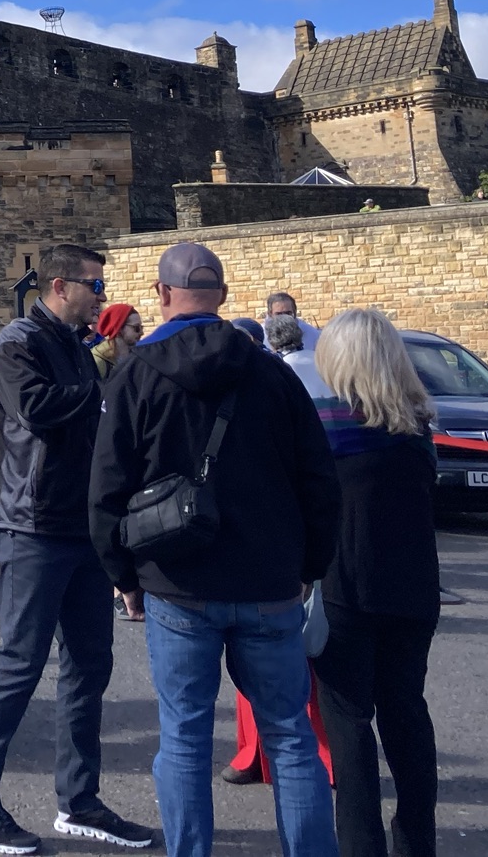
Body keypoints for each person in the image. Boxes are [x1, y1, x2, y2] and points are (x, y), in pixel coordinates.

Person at [88, 240, 338, 857]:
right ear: (222, 296)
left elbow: (106, 488)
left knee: (184, 737)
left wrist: (124, 576)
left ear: (161, 294)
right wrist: (310, 566)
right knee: (290, 738)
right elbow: (318, 478)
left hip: (177, 581)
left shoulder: (135, 375)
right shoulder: (273, 373)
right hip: (268, 580)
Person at [0, 244, 155, 854]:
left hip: (80, 523)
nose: (101, 296)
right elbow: (36, 409)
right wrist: (103, 389)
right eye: (95, 285)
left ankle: (80, 799)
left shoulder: (76, 346)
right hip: (32, 523)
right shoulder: (18, 341)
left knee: (91, 662)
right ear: (60, 286)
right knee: (19, 660)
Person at [310, 309, 440, 857]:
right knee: (407, 713)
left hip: (346, 584)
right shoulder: (418, 424)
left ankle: (360, 846)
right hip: (413, 583)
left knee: (348, 723)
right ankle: (417, 842)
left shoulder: (323, 425)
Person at [91, 304, 142, 381]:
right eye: (136, 328)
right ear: (119, 329)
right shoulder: (98, 362)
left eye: (142, 327)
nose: (141, 332)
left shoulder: (138, 356)